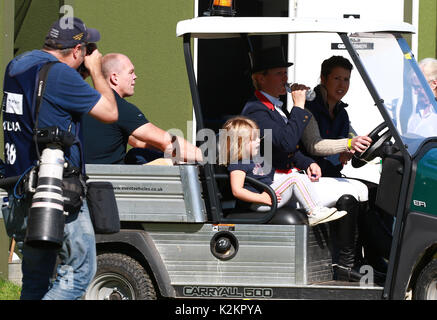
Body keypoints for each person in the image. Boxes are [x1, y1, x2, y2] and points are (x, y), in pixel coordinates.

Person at [2, 17, 118, 299]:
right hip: (56, 193)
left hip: (18, 191)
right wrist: (96, 70)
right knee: (79, 273)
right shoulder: (60, 75)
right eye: (87, 49)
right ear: (77, 51)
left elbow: (45, 102)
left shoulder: (19, 66)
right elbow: (109, 112)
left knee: (36, 278)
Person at [241, 47, 371, 282]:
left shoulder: (274, 107)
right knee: (355, 191)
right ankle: (344, 265)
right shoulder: (257, 110)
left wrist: (307, 162)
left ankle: (361, 262)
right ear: (261, 78)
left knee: (360, 192)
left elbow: (288, 149)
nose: (286, 79)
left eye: (285, 73)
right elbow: (286, 141)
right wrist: (299, 106)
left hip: (289, 178)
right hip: (271, 185)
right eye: (280, 73)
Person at [304, 55, 392, 278]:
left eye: (346, 79)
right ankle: (353, 262)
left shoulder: (342, 113)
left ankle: (374, 260)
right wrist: (348, 144)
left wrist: (356, 149)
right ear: (323, 78)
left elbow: (348, 146)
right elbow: (315, 145)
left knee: (378, 193)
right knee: (356, 195)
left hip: (333, 175)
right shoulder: (309, 108)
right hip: (311, 177)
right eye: (337, 78)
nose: (342, 85)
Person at [220, 116, 347, 226]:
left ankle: (317, 208)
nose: (259, 141)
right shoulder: (238, 164)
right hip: (257, 203)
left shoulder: (255, 160)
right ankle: (314, 212)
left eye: (258, 137)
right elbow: (237, 191)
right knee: (294, 178)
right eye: (253, 140)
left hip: (267, 195)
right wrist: (260, 198)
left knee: (297, 176)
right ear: (239, 143)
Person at [83, 53, 202, 165]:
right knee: (170, 163)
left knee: (138, 153)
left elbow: (136, 141)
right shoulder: (119, 107)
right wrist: (206, 156)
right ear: (115, 78)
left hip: (83, 178)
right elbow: (167, 142)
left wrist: (166, 151)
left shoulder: (87, 102)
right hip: (109, 183)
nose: (135, 77)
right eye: (131, 72)